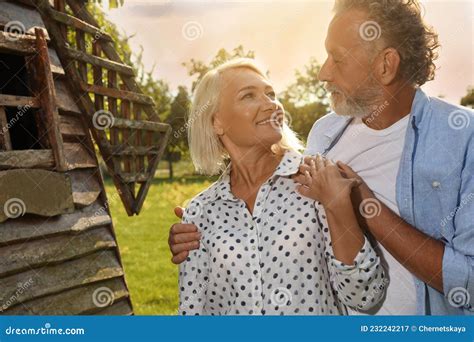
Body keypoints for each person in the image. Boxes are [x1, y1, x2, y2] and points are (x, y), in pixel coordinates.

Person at [170, 0, 474, 315]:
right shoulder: (325, 134)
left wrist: (363, 204)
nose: (322, 72)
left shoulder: (463, 138)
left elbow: (469, 283)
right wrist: (202, 230)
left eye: (337, 59)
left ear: (386, 65)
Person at [178, 58, 386, 315]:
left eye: (271, 94)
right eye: (249, 96)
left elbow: (365, 295)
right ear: (216, 122)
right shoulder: (200, 211)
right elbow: (193, 310)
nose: (271, 104)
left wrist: (338, 206)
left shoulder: (317, 178)